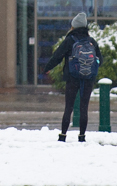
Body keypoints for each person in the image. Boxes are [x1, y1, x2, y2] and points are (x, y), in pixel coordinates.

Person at [43, 12, 102, 142]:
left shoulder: (70, 40)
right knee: (84, 107)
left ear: (73, 27)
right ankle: (82, 136)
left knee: (68, 107)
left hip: (72, 77)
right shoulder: (92, 42)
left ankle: (63, 135)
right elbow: (100, 60)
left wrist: (47, 68)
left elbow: (57, 56)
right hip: (88, 79)